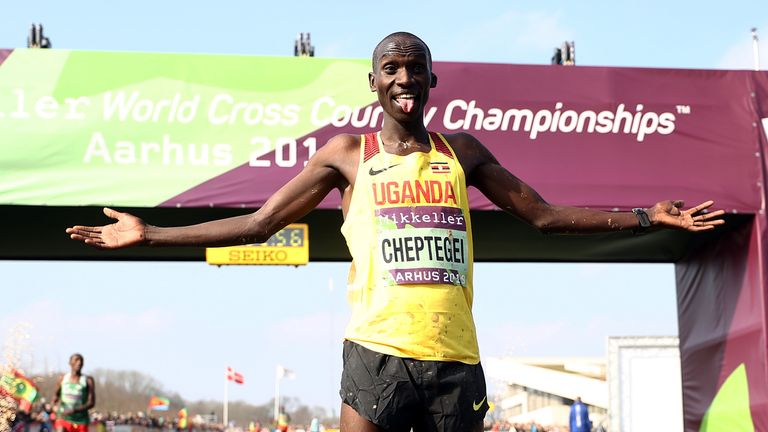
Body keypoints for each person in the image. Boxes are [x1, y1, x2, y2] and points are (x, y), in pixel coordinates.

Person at [66, 32, 724, 432]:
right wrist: (149, 234)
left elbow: (545, 217)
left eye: (415, 68)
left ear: (432, 80)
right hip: (376, 354)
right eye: (391, 68)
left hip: (455, 362)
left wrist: (646, 215)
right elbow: (261, 222)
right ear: (374, 83)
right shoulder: (345, 155)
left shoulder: (462, 152)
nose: (404, 78)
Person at [52, 353, 95, 432]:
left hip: (81, 420)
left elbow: (91, 403)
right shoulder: (62, 378)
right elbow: (55, 397)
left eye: (81, 361)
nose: (79, 363)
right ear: (70, 363)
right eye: (76, 360)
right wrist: (54, 406)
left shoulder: (88, 380)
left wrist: (74, 410)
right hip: (63, 418)